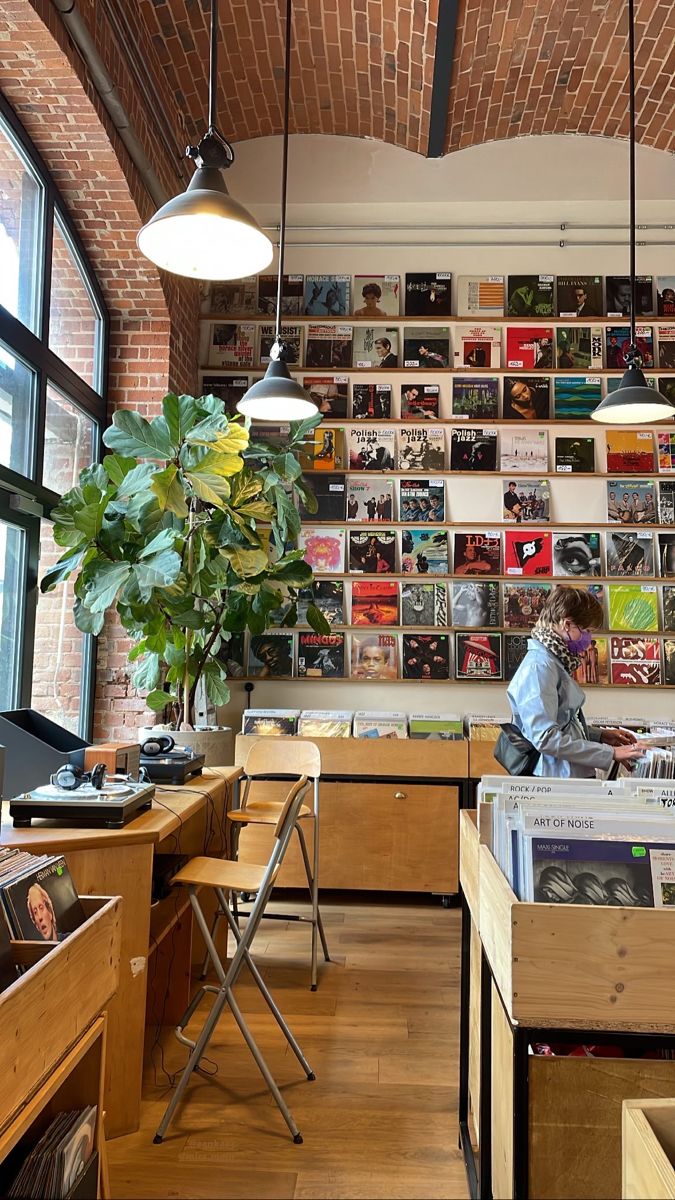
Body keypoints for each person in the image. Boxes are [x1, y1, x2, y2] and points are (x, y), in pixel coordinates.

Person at [507, 586, 646, 778]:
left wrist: (599, 736)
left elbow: (561, 721)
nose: (589, 639)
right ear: (567, 625)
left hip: (565, 772)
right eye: (586, 631)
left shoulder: (554, 660)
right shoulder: (539, 667)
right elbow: (545, 738)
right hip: (554, 776)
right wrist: (610, 753)